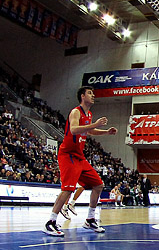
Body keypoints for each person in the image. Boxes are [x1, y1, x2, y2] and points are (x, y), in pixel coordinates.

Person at [44, 86, 117, 237]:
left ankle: (90, 219)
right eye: (90, 93)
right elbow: (74, 130)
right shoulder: (75, 111)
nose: (93, 95)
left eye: (93, 93)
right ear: (82, 96)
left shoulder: (88, 114)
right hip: (68, 154)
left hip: (79, 156)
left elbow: (88, 131)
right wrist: (96, 124)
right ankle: (50, 222)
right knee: (68, 189)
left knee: (98, 185)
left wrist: (106, 132)